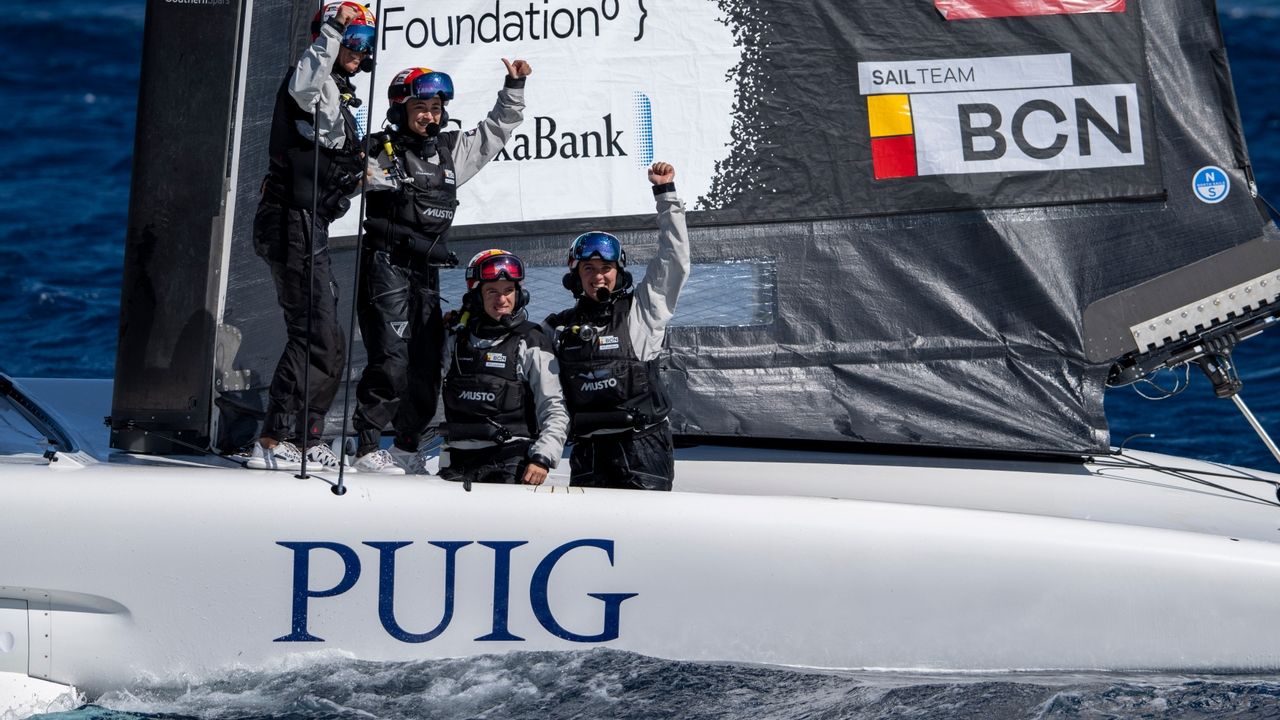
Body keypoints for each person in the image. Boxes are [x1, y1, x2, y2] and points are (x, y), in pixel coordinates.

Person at [347, 61, 531, 475]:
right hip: (386, 267)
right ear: (400, 109)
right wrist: (359, 175)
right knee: (391, 359)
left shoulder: (449, 150)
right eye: (420, 107)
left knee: (428, 364)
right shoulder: (378, 149)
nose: (430, 115)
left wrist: (514, 87)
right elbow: (336, 179)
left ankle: (406, 448)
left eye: (436, 107)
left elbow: (495, 132)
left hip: (425, 273)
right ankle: (367, 446)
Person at [248, 1, 375, 471]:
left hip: (312, 227)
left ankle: (305, 437)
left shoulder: (341, 97)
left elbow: (344, 168)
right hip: (288, 222)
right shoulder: (307, 81)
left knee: (332, 340)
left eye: (367, 42)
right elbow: (305, 86)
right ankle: (271, 440)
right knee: (312, 332)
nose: (359, 50)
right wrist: (335, 28)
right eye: (352, 40)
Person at [543, 162, 689, 491]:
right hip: (588, 452)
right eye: (588, 268)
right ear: (575, 277)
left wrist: (665, 194)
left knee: (645, 525)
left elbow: (674, 260)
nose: (598, 276)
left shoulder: (644, 310)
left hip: (642, 449)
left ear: (619, 273)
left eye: (606, 268)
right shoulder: (557, 328)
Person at [435, 250, 569, 487]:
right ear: (475, 297)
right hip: (456, 461)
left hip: (511, 463)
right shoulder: (453, 338)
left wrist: (543, 458)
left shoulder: (531, 341)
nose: (502, 299)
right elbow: (421, 384)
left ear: (520, 295)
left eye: (508, 290)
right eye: (492, 292)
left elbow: (554, 407)